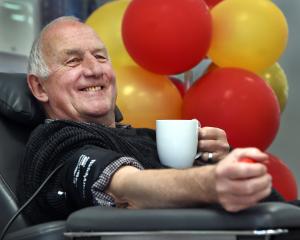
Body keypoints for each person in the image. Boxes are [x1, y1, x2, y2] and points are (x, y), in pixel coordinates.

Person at [17, 16, 281, 224]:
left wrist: (215, 160)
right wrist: (210, 183)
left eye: (100, 57)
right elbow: (126, 187)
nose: (94, 70)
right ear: (39, 88)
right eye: (73, 61)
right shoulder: (55, 142)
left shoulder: (147, 138)